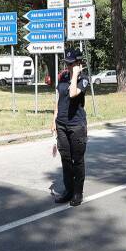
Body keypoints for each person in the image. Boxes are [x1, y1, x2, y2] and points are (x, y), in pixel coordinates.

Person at [51, 49, 89, 206]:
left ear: (78, 63)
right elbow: (59, 97)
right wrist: (54, 119)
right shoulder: (63, 76)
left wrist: (75, 75)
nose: (67, 66)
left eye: (70, 63)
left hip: (76, 126)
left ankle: (78, 192)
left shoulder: (84, 79)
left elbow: (73, 93)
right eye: (66, 63)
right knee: (65, 159)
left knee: (77, 160)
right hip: (62, 124)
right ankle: (68, 190)